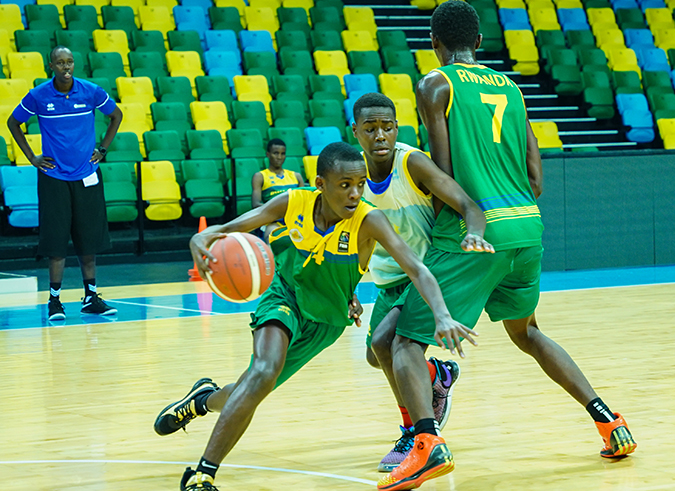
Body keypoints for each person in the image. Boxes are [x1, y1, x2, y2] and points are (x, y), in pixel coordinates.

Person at [377, 2, 637, 490]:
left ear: (434, 43)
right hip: (526, 227)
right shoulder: (512, 88)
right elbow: (536, 178)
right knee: (528, 333)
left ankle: (426, 444)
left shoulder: (436, 84)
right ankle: (609, 421)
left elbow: (444, 176)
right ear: (479, 42)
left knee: (403, 343)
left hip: (474, 233)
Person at [152, 142, 478, 491]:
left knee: (251, 388)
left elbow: (417, 269)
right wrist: (201, 237)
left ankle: (203, 400)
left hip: (326, 321)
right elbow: (228, 228)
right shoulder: (293, 202)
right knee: (262, 372)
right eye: (345, 185)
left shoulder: (369, 219)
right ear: (321, 184)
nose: (355, 193)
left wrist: (442, 315)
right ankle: (202, 474)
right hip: (284, 298)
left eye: (360, 184)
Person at [351, 92, 494, 472]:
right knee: (375, 356)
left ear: (397, 128)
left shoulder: (411, 162)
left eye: (387, 127)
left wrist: (474, 233)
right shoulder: (354, 175)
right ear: (356, 132)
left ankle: (414, 433)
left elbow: (468, 204)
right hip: (388, 279)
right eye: (370, 128)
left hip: (425, 272)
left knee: (384, 342)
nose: (380, 135)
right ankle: (437, 375)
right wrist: (350, 288)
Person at [6, 46, 123, 322]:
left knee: (88, 240)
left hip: (87, 175)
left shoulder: (91, 91)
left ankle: (91, 297)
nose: (66, 67)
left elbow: (116, 115)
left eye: (69, 61)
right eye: (60, 62)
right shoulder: (38, 95)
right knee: (56, 242)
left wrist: (102, 149)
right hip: (54, 178)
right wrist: (32, 157)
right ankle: (54, 301)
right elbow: (13, 122)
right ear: (51, 66)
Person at [250, 138, 305, 241]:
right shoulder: (260, 176)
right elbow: (256, 204)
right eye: (276, 153)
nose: (279, 157)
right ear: (268, 154)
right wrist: (279, 212)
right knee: (272, 237)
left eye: (282, 154)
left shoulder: (296, 176)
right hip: (273, 221)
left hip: (296, 219)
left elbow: (304, 202)